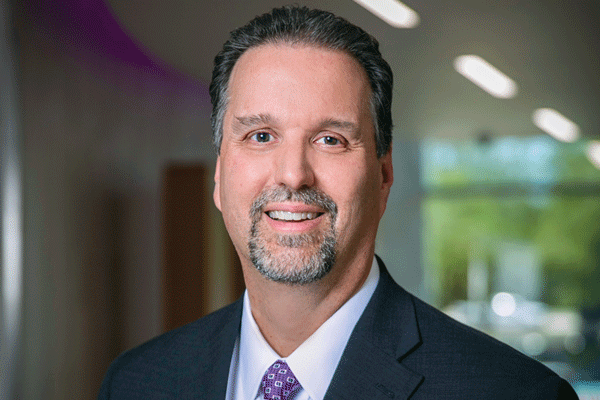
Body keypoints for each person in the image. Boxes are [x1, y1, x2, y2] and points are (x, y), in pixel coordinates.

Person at [99, 6, 579, 400]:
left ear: (384, 175)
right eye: (260, 135)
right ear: (221, 175)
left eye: (330, 139)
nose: (292, 174)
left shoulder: (512, 393)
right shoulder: (138, 383)